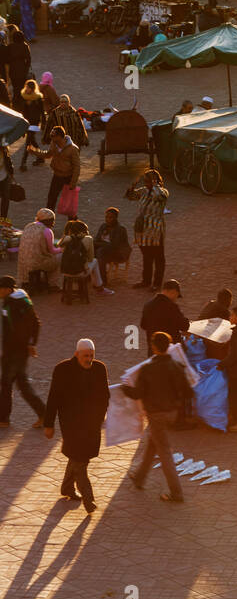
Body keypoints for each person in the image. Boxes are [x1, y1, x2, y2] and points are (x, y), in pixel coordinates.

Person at [122, 331, 189, 504]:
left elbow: (137, 394)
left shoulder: (148, 369)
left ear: (153, 346)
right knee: (153, 443)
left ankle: (176, 492)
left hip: (156, 414)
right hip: (172, 413)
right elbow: (187, 390)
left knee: (164, 452)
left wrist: (124, 389)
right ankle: (139, 477)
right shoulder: (177, 366)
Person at [43, 338, 110, 512]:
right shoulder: (62, 370)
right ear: (76, 354)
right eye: (85, 356)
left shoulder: (99, 368)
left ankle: (66, 488)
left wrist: (101, 416)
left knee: (79, 457)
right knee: (80, 460)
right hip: (71, 425)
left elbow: (105, 395)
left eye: (91, 355)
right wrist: (48, 424)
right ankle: (88, 500)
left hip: (92, 424)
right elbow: (53, 398)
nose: (89, 359)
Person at [0, 274, 44, 428]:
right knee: (9, 384)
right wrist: (32, 343)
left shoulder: (15, 303)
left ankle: (43, 414)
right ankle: (4, 418)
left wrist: (28, 344)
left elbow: (25, 326)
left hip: (15, 352)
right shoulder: (20, 300)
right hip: (16, 351)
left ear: (6, 289)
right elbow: (36, 323)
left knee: (17, 385)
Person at [127, 168, 170, 290]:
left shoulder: (163, 192)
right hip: (143, 230)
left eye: (148, 181)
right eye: (145, 181)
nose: (146, 183)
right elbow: (130, 197)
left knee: (158, 258)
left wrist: (155, 184)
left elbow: (158, 195)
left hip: (156, 230)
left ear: (155, 181)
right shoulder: (144, 191)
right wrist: (132, 185)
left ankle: (157, 284)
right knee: (147, 256)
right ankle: (146, 281)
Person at [58, 218, 114, 295]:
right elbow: (90, 258)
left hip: (64, 271)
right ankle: (99, 287)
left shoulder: (66, 238)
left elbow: (60, 249)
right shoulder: (88, 239)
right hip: (80, 272)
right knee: (95, 261)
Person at [15, 207, 62, 288]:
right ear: (49, 220)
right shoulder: (47, 230)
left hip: (23, 262)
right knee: (60, 257)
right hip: (37, 263)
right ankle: (53, 283)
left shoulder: (28, 226)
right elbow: (52, 251)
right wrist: (62, 249)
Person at [40, 124, 80, 214]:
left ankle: (72, 224)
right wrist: (35, 151)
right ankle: (47, 219)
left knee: (69, 205)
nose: (52, 138)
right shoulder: (54, 144)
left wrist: (73, 183)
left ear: (59, 136)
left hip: (68, 178)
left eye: (53, 136)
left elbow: (77, 166)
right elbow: (48, 155)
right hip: (57, 176)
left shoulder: (73, 149)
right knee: (51, 200)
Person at [140, 280, 189, 345]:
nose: (176, 299)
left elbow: (143, 325)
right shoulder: (171, 307)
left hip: (154, 347)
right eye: (176, 296)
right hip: (169, 347)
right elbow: (184, 326)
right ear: (173, 292)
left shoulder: (148, 305)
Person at [93, 208, 131, 280]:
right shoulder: (103, 226)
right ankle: (88, 275)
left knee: (100, 251)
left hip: (119, 253)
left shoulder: (120, 229)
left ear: (115, 218)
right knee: (90, 248)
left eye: (110, 217)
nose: (107, 219)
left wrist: (99, 244)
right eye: (106, 217)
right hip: (105, 250)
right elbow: (96, 239)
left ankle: (103, 279)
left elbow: (114, 245)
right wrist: (98, 244)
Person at [17, 79, 45, 170]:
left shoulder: (38, 98)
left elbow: (42, 111)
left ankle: (23, 163)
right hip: (27, 122)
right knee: (32, 140)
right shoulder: (24, 97)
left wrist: (44, 123)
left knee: (28, 142)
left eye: (28, 88)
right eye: (26, 87)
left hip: (35, 122)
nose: (27, 89)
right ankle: (41, 156)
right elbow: (23, 111)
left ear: (32, 89)